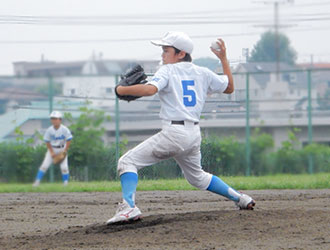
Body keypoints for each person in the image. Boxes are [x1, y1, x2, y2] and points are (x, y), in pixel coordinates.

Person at [107, 31, 255, 224]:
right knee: (197, 178)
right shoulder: (202, 72)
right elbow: (229, 88)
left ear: (181, 53)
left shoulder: (168, 70)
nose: (163, 54)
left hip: (174, 133)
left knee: (127, 162)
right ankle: (241, 198)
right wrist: (224, 59)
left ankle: (128, 208)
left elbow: (151, 89)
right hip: (193, 134)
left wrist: (121, 90)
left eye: (166, 50)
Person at [33, 111, 72, 187]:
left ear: (60, 120)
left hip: (62, 149)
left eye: (55, 119)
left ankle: (65, 184)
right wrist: (51, 152)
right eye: (52, 119)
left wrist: (65, 150)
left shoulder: (64, 129)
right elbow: (47, 141)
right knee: (44, 166)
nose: (54, 120)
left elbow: (69, 139)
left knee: (64, 167)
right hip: (52, 149)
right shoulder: (49, 130)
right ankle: (37, 182)